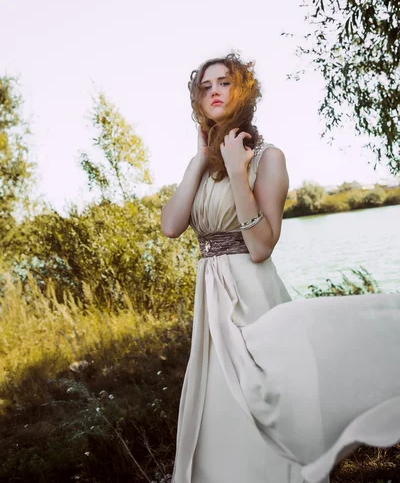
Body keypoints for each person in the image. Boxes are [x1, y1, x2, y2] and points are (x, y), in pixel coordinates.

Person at [161, 52, 400, 483]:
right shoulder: (198, 165)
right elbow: (171, 226)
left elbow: (261, 247)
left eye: (224, 83)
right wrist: (201, 159)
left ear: (243, 92)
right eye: (205, 85)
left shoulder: (268, 158)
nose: (214, 91)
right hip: (211, 298)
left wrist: (238, 172)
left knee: (260, 402)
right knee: (216, 408)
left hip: (251, 293)